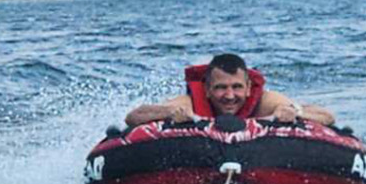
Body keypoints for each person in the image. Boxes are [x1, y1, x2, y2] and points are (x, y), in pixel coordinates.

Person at [124, 53, 335, 127]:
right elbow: (134, 117)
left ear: (249, 87)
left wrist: (294, 112)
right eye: (220, 88)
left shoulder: (267, 102)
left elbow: (327, 117)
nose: (229, 96)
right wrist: (169, 113)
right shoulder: (189, 104)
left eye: (237, 87)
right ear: (206, 90)